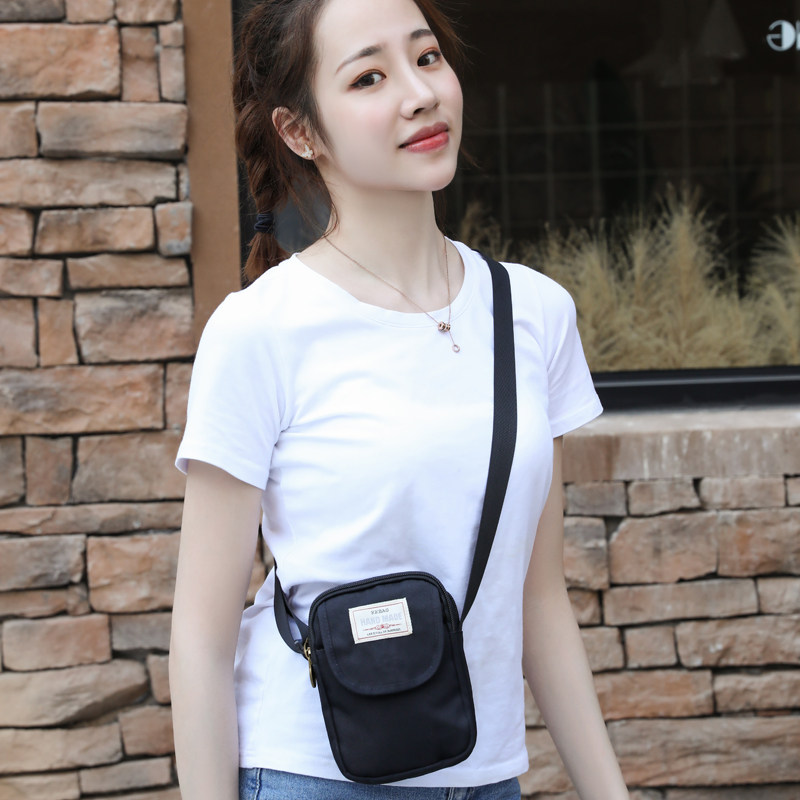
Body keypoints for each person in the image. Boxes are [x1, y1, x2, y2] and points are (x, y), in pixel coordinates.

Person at [169, 1, 630, 799]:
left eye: (426, 58)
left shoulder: (532, 312)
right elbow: (202, 640)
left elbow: (538, 599)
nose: (419, 94)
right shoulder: (260, 330)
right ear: (300, 132)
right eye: (369, 78)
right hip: (313, 774)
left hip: (487, 776)